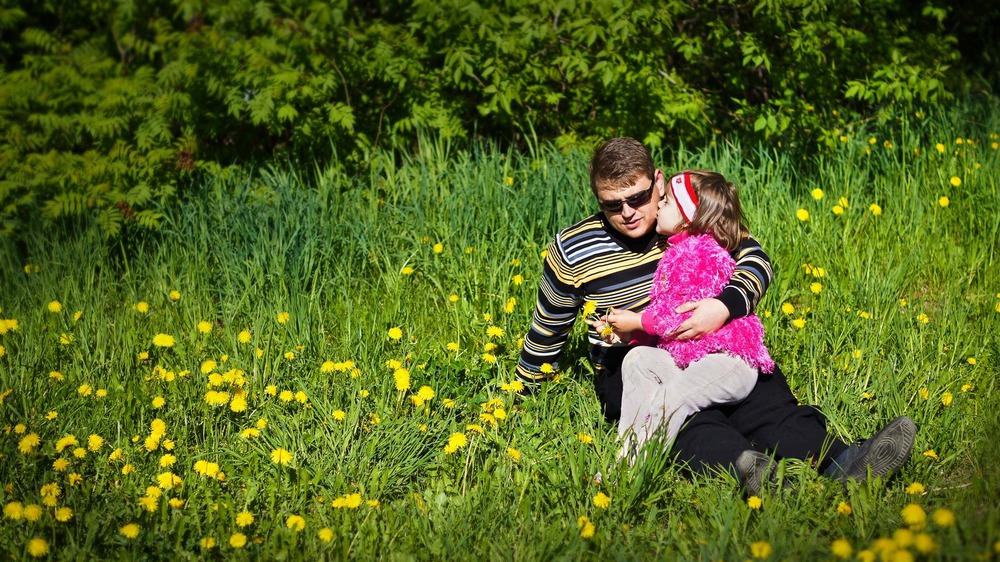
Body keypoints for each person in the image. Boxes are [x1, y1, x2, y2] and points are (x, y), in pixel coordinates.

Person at [516, 137, 916, 494]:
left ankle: (842, 461)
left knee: (763, 399)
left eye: (638, 198)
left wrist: (723, 307)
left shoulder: (687, 218)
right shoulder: (572, 247)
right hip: (633, 360)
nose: (629, 212)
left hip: (712, 340)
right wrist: (522, 395)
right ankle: (752, 471)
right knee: (683, 417)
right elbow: (548, 325)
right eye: (612, 204)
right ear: (598, 199)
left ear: (657, 182)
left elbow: (756, 260)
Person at [593, 170, 775, 462]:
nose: (658, 208)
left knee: (671, 398)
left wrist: (636, 320)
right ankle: (625, 459)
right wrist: (632, 336)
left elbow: (681, 316)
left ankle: (629, 472)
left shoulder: (700, 254)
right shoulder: (677, 251)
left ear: (688, 217)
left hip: (729, 359)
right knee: (638, 360)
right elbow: (675, 327)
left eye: (664, 203)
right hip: (698, 356)